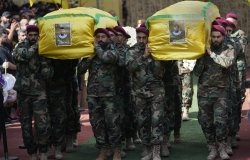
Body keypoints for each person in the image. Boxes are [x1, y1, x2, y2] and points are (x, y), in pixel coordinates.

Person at [78, 28, 122, 160]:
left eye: (103, 37)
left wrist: (96, 49)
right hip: (93, 94)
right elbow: (80, 70)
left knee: (112, 122)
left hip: (109, 94)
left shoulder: (112, 50)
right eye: (98, 37)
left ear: (108, 38)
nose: (100, 39)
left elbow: (107, 58)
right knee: (97, 123)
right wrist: (89, 58)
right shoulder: (91, 53)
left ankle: (117, 150)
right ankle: (103, 149)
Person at [193, 24, 235, 160]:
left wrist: (211, 54)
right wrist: (201, 57)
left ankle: (222, 147)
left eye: (218, 37)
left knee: (221, 121)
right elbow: (196, 72)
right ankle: (212, 147)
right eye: (213, 37)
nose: (215, 39)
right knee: (205, 121)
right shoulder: (204, 52)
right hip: (204, 92)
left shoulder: (228, 49)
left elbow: (226, 63)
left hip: (221, 92)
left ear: (223, 37)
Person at [12, 25, 53, 160]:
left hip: (39, 92)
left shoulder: (43, 49)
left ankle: (43, 151)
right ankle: (31, 152)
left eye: (36, 35)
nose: (33, 37)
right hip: (24, 92)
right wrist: (36, 47)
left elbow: (48, 71)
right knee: (26, 125)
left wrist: (46, 66)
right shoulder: (20, 46)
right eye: (31, 35)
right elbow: (24, 56)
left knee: (42, 124)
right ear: (27, 35)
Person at [126, 24, 166, 160]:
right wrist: (143, 56)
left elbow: (161, 72)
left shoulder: (157, 51)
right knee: (142, 122)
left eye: (144, 38)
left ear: (149, 38)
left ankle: (156, 151)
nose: (141, 40)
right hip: (139, 93)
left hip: (156, 92)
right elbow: (129, 68)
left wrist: (154, 56)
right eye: (139, 38)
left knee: (157, 121)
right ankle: (147, 148)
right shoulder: (132, 51)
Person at [226, 12, 248, 141]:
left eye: (233, 22)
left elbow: (239, 50)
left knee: (237, 98)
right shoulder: (223, 33)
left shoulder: (240, 34)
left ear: (236, 23)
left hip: (238, 70)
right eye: (228, 22)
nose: (230, 24)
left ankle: (235, 129)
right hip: (226, 71)